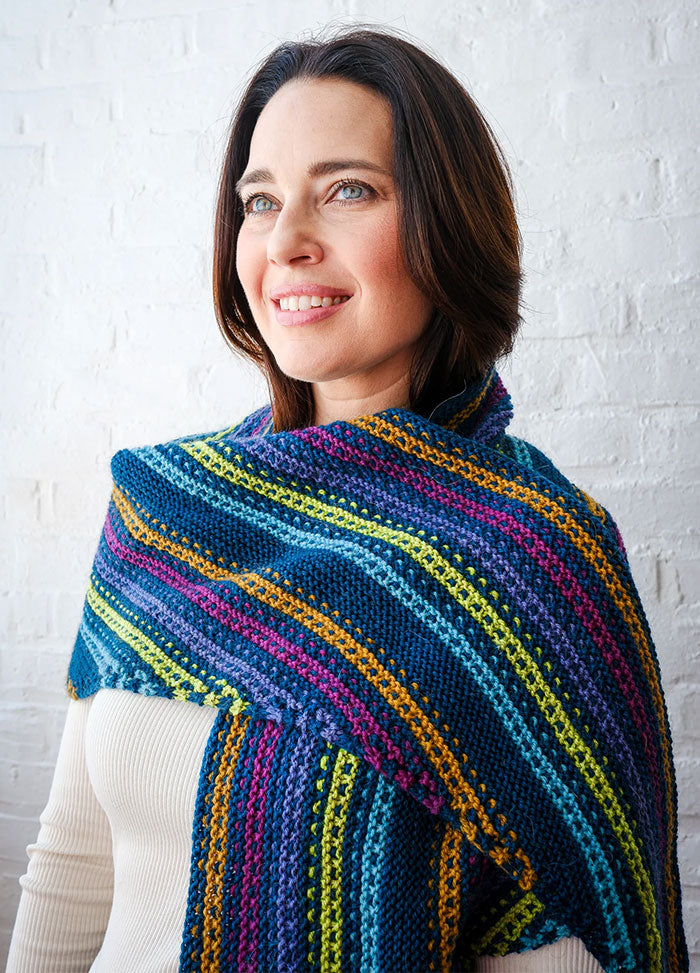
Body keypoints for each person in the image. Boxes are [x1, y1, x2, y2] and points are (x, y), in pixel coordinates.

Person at [7, 24, 688, 973]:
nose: (285, 241)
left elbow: (563, 940)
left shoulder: (534, 562)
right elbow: (74, 872)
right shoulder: (163, 514)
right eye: (258, 200)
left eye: (347, 190)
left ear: (446, 222)